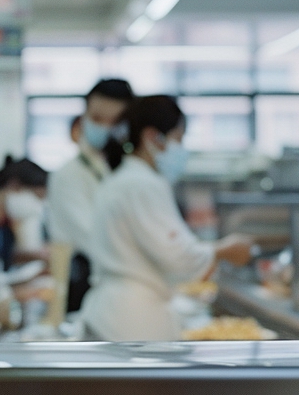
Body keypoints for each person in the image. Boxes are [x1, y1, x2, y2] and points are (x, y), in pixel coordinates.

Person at [80, 95, 253, 341]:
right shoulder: (142, 184)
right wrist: (223, 251)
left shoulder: (123, 180)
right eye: (178, 139)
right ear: (153, 137)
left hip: (116, 313)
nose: (181, 149)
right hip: (132, 320)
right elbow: (176, 256)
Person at [46, 79, 134, 313]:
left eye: (114, 121)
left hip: (123, 294)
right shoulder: (68, 176)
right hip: (83, 290)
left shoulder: (129, 171)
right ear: (83, 116)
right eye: (96, 119)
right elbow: (93, 239)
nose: (105, 127)